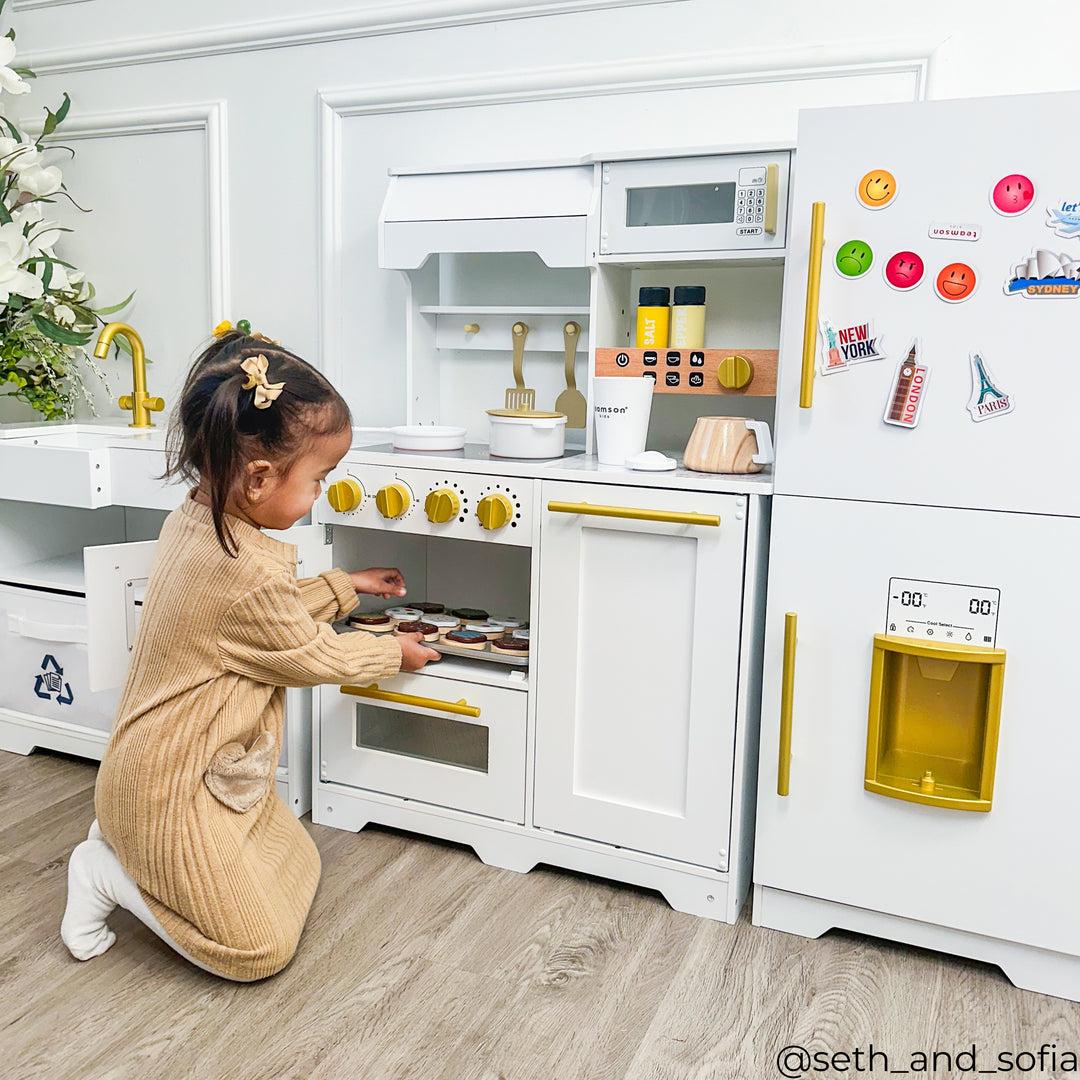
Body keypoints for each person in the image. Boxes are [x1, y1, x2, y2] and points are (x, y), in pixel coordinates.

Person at [60, 324, 439, 980]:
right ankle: (105, 873)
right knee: (258, 951)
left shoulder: (197, 518)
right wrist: (388, 651)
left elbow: (261, 622)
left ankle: (126, 846)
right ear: (261, 479)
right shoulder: (242, 571)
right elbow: (307, 654)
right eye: (320, 479)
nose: (321, 493)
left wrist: (342, 586)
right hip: (165, 790)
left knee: (301, 863)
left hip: (178, 769)